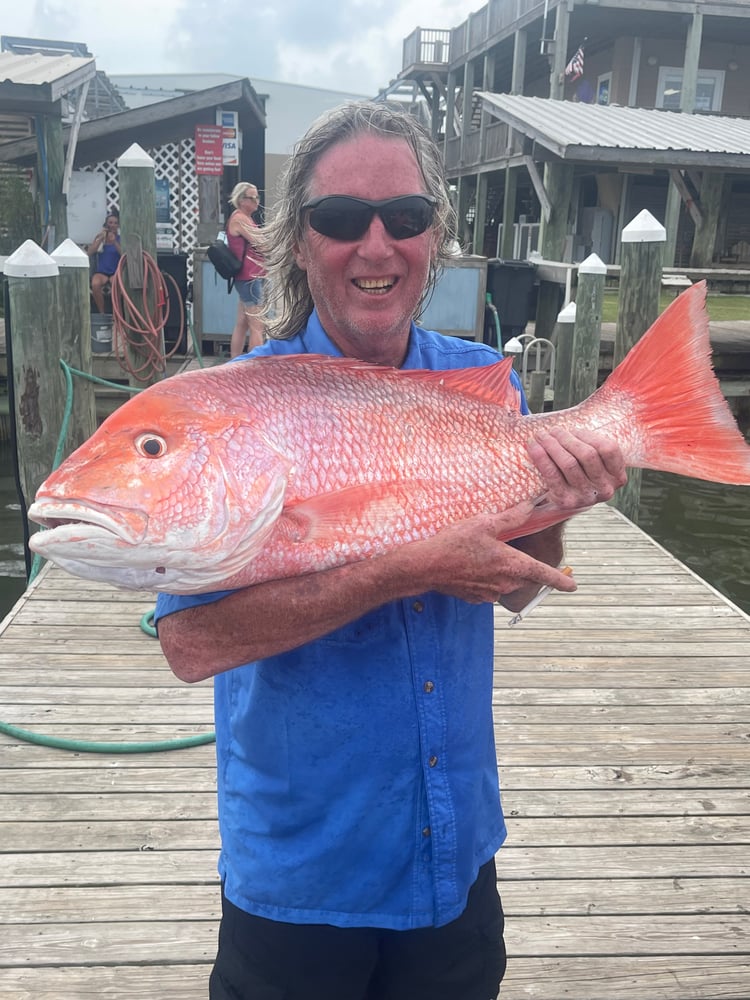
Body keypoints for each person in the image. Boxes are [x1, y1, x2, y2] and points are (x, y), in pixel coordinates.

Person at [155, 101, 626, 1000]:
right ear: (298, 242)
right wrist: (407, 569)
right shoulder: (233, 408)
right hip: (302, 881)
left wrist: (562, 498)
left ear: (434, 236)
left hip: (452, 854)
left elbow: (518, 587)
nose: (377, 246)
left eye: (404, 218)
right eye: (341, 220)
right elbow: (192, 645)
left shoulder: (484, 382)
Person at [226, 182, 266, 357]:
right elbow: (261, 243)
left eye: (257, 196)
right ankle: (254, 367)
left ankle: (233, 364)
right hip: (250, 276)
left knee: (242, 322)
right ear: (241, 200)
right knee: (257, 325)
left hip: (248, 276)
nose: (257, 201)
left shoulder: (243, 218)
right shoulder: (240, 219)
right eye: (252, 197)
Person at [87, 212, 121, 313]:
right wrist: (101, 238)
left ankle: (117, 313)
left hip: (115, 271)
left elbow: (123, 254)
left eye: (115, 223)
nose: (113, 225)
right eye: (110, 223)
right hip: (102, 272)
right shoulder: (100, 238)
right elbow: (89, 252)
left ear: (118, 225)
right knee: (95, 284)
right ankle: (102, 312)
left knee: (116, 285)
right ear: (106, 224)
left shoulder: (120, 239)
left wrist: (114, 242)